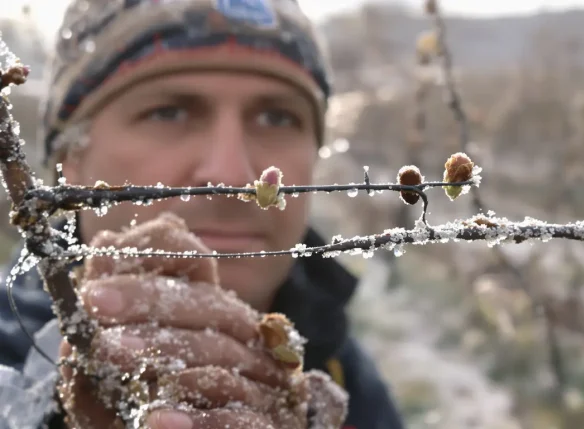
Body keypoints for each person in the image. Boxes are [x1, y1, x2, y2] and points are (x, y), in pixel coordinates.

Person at [0, 0, 405, 428]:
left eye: (277, 117)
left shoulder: (345, 375)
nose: (231, 176)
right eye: (168, 112)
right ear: (69, 160)